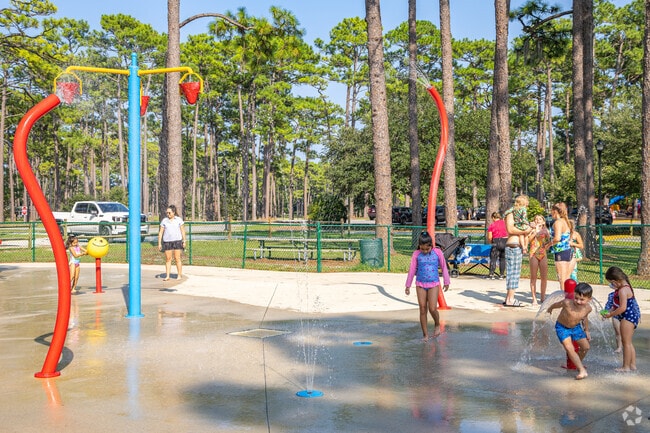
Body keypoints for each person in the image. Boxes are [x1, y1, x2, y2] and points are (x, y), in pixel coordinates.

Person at [405, 231, 451, 340]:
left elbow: (444, 267)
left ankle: (437, 324)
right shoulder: (416, 254)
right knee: (422, 308)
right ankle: (425, 335)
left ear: (431, 245)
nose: (425, 251)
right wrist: (408, 285)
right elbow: (412, 270)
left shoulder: (437, 252)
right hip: (420, 283)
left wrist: (446, 281)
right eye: (422, 249)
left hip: (433, 284)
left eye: (427, 249)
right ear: (419, 246)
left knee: (432, 308)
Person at [547, 282, 593, 380]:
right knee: (569, 348)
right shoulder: (567, 303)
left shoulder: (588, 308)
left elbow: (585, 318)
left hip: (576, 328)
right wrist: (550, 308)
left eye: (582, 299)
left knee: (586, 347)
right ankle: (582, 370)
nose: (578, 301)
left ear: (589, 299)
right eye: (576, 298)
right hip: (562, 328)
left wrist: (587, 330)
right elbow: (556, 304)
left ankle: (578, 364)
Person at [602, 266, 641, 371]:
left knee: (626, 343)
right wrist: (609, 311)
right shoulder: (625, 287)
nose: (611, 285)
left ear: (615, 281)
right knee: (628, 342)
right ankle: (632, 365)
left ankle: (626, 367)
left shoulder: (622, 290)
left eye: (611, 282)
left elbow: (622, 308)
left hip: (628, 317)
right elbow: (617, 304)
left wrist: (611, 315)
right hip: (631, 316)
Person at [503, 195, 533, 307]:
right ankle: (511, 299)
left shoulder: (514, 213)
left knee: (512, 272)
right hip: (514, 246)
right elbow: (511, 229)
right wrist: (528, 229)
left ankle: (508, 298)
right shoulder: (511, 214)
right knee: (514, 273)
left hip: (514, 246)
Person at [527, 214, 551, 306]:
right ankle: (534, 298)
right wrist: (535, 231)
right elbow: (528, 240)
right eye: (536, 219)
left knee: (544, 278)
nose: (538, 220)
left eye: (540, 219)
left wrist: (547, 237)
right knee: (533, 277)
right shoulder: (532, 230)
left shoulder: (545, 230)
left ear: (543, 221)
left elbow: (550, 241)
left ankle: (543, 297)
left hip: (543, 253)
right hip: (533, 253)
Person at [158, 204, 186, 281]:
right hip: (167, 241)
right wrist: (159, 243)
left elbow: (182, 231)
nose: (168, 214)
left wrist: (184, 241)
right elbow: (160, 232)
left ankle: (179, 275)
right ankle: (167, 276)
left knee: (177, 258)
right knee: (168, 259)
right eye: (167, 213)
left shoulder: (179, 220)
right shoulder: (164, 221)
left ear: (174, 212)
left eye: (169, 213)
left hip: (177, 241)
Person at [550, 202, 573, 290]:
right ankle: (568, 296)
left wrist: (548, 245)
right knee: (566, 277)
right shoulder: (565, 221)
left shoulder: (558, 223)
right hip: (567, 251)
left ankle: (564, 298)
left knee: (562, 278)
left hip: (560, 251)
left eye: (552, 211)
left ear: (555, 211)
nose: (551, 213)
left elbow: (557, 238)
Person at [487, 212, 508, 280]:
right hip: (505, 241)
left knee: (493, 258)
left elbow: (490, 237)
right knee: (503, 259)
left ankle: (491, 274)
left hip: (496, 241)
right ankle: (501, 275)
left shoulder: (492, 225)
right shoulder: (505, 223)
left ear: (493, 217)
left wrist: (491, 242)